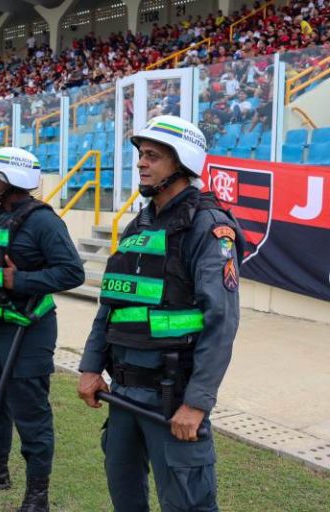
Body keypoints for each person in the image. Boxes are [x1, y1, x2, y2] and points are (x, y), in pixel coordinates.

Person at [77, 115, 245, 512]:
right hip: (123, 394)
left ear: (181, 162)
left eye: (152, 156)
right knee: (125, 496)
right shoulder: (141, 223)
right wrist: (89, 367)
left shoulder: (208, 227)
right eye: (140, 155)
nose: (141, 163)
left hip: (172, 396)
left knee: (187, 504)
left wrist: (197, 403)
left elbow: (221, 322)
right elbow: (113, 303)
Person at [0, 148, 84, 512]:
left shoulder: (44, 222)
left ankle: (37, 493)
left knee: (30, 412)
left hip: (29, 331)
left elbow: (72, 272)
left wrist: (21, 279)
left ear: (12, 181)